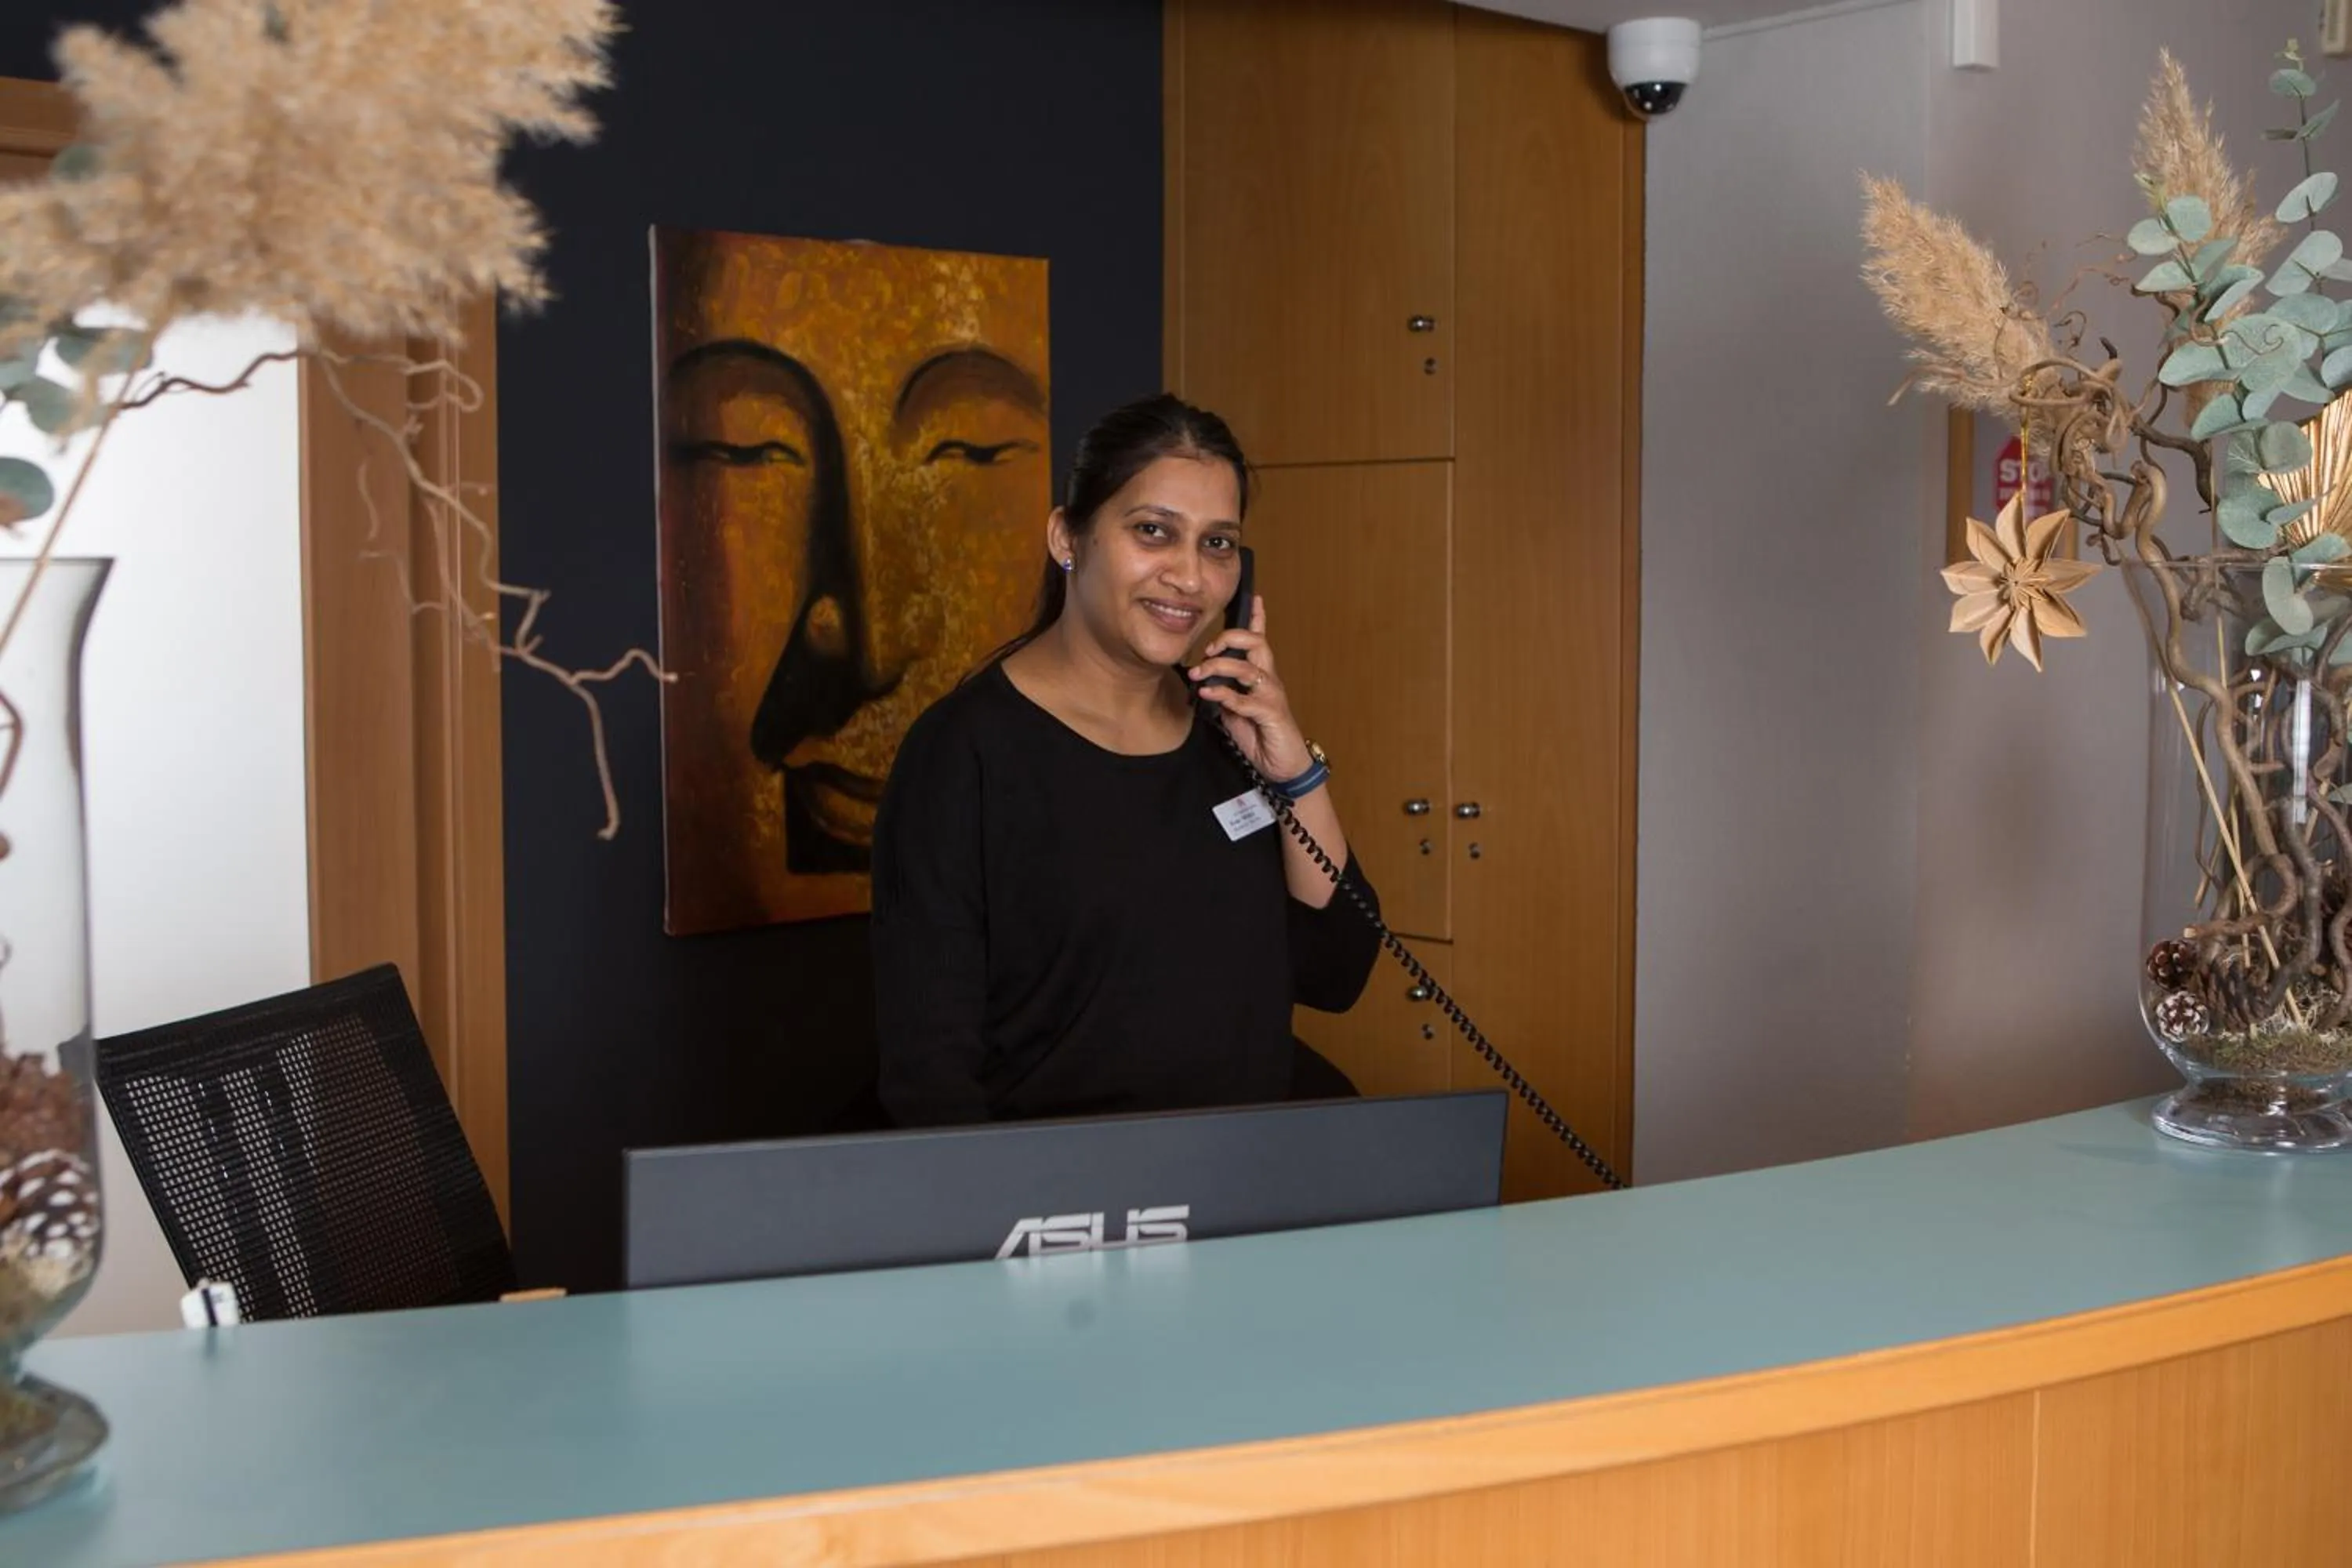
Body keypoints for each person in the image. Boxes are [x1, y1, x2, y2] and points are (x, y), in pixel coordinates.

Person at [869, 394, 1381, 1127]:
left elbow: (1337, 970)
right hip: (1069, 1205)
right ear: (1067, 537)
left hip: (1245, 1188)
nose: (1191, 578)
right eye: (1153, 532)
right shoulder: (963, 754)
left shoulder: (1227, 738)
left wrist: (1292, 766)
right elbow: (931, 1074)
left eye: (1218, 544)